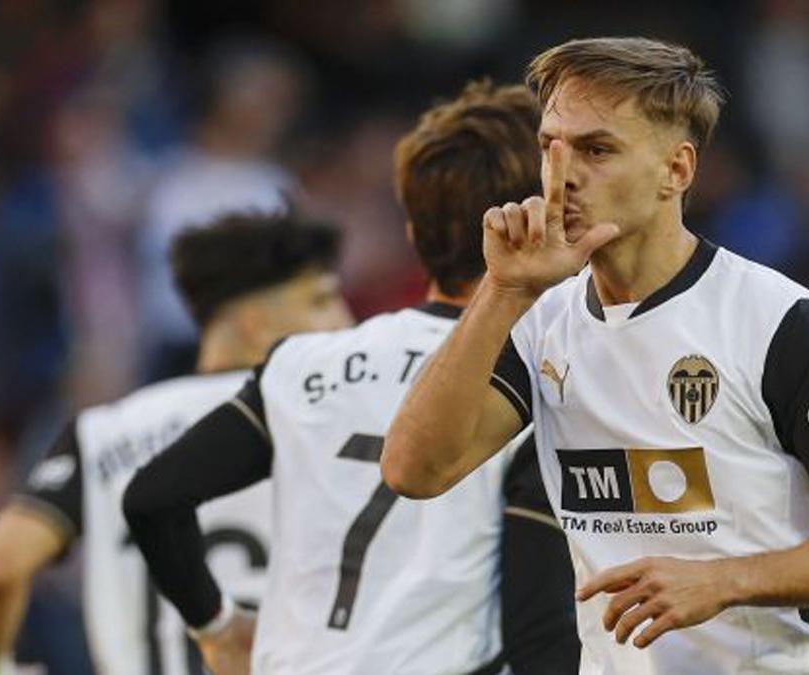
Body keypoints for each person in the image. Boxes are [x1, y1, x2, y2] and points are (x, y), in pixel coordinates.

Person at [382, 37, 809, 674]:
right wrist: (502, 290)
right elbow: (414, 470)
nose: (564, 176)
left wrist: (722, 580)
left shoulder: (779, 320)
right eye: (549, 148)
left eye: (596, 150)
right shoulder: (539, 321)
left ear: (676, 170)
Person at [123, 81, 580, 675]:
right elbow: (539, 627)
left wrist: (218, 626)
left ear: (414, 232)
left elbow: (153, 497)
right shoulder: (526, 384)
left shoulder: (302, 364)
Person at [0, 210, 351, 675]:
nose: (345, 320)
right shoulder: (332, 419)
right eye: (321, 301)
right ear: (254, 324)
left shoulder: (102, 434)